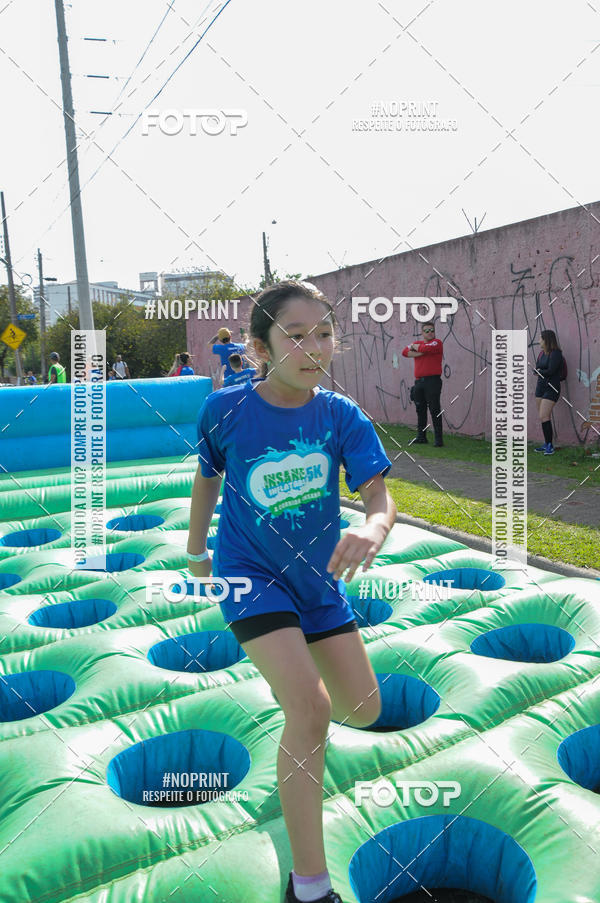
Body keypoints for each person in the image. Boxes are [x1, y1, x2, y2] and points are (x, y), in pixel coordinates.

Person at [188, 280, 396, 903]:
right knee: (311, 710)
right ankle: (308, 886)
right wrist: (197, 551)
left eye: (326, 334)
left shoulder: (341, 415)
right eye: (298, 336)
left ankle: (293, 710)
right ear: (258, 347)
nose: (316, 348)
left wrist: (372, 528)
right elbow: (207, 481)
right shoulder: (225, 411)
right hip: (250, 576)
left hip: (319, 583)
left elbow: (381, 500)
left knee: (366, 709)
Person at [401, 320, 444, 446]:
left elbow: (424, 348)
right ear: (422, 332)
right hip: (419, 382)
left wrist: (417, 350)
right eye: (427, 331)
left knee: (435, 409)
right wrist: (422, 352)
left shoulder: (437, 342)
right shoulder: (417, 343)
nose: (430, 333)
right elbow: (405, 352)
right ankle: (421, 437)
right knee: (420, 410)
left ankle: (438, 439)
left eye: (432, 330)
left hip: (433, 381)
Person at [533, 329, 564, 456]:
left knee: (544, 415)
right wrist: (539, 371)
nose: (539, 341)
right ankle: (546, 443)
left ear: (547, 340)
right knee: (543, 417)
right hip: (540, 387)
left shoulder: (556, 354)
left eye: (541, 338)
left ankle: (550, 446)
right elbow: (537, 369)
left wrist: (540, 371)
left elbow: (551, 371)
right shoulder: (541, 354)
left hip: (552, 388)